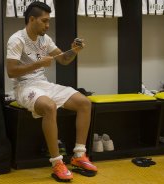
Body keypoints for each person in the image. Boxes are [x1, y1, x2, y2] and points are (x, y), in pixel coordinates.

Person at [6, 1, 97, 181]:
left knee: (84, 103)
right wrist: (38, 64)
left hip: (43, 84)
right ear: (32, 19)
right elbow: (11, 71)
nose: (48, 26)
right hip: (24, 87)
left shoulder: (45, 39)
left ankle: (79, 155)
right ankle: (57, 163)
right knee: (49, 106)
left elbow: (63, 59)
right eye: (44, 21)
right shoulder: (16, 39)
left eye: (49, 21)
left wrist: (74, 50)